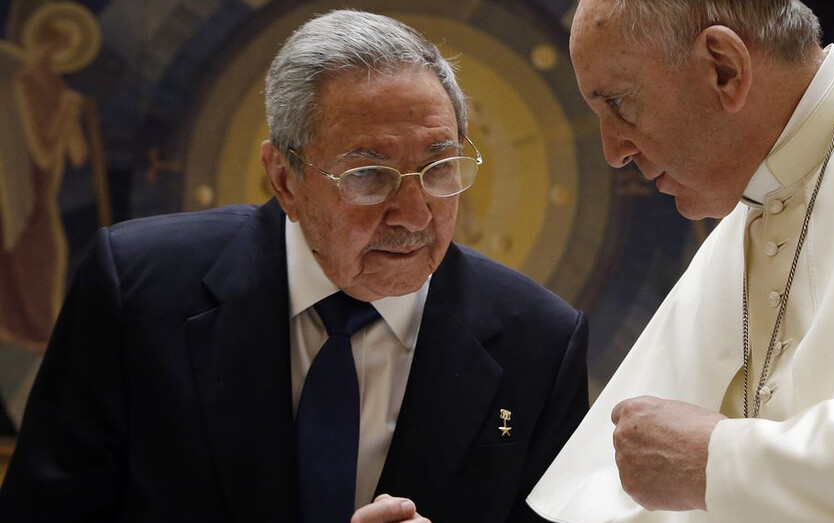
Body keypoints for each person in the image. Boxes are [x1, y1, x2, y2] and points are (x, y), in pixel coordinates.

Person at [0, 10, 589, 523]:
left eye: (440, 168)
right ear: (284, 178)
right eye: (368, 175)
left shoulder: (539, 343)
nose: (414, 214)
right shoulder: (136, 289)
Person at [527, 1, 834, 522]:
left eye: (621, 104)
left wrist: (721, 463)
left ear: (724, 68)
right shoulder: (755, 195)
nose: (613, 151)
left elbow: (696, 464)